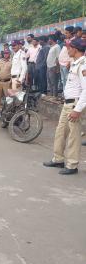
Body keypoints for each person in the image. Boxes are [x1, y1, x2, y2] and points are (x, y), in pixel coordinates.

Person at [43, 38, 86, 175]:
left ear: (76, 49)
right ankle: (58, 159)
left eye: (69, 47)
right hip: (67, 104)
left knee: (74, 136)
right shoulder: (75, 63)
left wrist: (77, 110)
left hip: (74, 105)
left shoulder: (83, 65)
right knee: (60, 132)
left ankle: (72, 165)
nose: (67, 49)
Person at [0, 49, 12, 114]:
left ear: (9, 54)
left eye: (7, 53)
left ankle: (8, 110)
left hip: (7, 82)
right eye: (5, 53)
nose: (6, 54)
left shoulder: (12, 61)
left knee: (8, 97)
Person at [58, 26, 75, 93]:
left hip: (67, 64)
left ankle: (69, 95)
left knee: (68, 80)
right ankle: (65, 95)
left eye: (67, 33)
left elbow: (72, 53)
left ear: (71, 33)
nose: (65, 35)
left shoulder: (73, 41)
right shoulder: (67, 40)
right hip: (62, 63)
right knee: (63, 80)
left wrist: (69, 62)